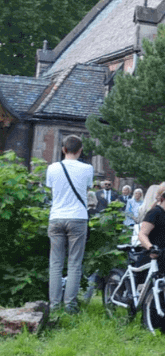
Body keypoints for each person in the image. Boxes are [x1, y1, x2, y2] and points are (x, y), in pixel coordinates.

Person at [45, 134, 93, 314]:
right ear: (80, 151)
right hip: (78, 217)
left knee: (55, 263)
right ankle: (70, 306)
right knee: (74, 263)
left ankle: (54, 305)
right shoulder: (87, 168)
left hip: (56, 216)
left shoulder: (52, 168)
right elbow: (87, 188)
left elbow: (51, 189)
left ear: (63, 149)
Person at [138, 181, 165, 332]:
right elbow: (142, 234)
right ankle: (148, 322)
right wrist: (150, 247)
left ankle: (163, 324)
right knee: (153, 288)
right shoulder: (154, 213)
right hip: (156, 255)